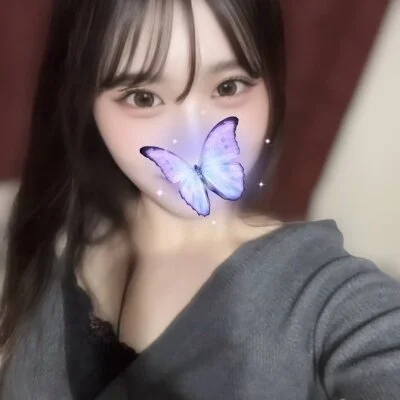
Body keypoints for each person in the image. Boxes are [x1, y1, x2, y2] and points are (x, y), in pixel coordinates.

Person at [1, 0, 399, 399]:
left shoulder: (322, 294)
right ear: (83, 99)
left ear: (271, 83)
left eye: (228, 87)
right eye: (143, 97)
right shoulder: (61, 234)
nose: (192, 137)